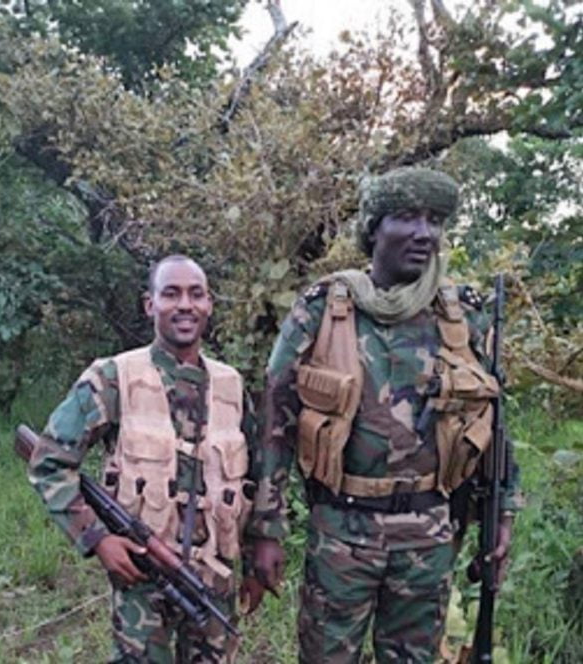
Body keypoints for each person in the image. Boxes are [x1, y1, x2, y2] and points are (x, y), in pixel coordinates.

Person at [248, 167, 522, 663]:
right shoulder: (323, 309)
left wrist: (501, 513)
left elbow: (491, 422)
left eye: (434, 220)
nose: (424, 233)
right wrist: (266, 531)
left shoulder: (461, 314)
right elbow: (276, 425)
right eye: (407, 217)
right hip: (342, 532)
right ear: (374, 228)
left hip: (430, 534)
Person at [28, 255, 263, 663]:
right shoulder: (113, 377)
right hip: (141, 574)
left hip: (213, 581)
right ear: (149, 304)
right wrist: (98, 539)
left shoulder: (231, 384)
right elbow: (50, 461)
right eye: (170, 293)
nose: (185, 305)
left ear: (209, 304)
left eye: (196, 294)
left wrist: (260, 550)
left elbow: (256, 478)